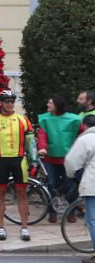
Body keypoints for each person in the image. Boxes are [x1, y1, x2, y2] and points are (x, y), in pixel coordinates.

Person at [0, 89, 38, 242]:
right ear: (0, 103)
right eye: (7, 102)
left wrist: (34, 161)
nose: (10, 104)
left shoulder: (22, 119)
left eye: (12, 102)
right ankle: (1, 227)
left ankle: (25, 227)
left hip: (19, 159)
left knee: (22, 193)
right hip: (0, 160)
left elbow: (31, 142)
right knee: (0, 194)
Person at [37, 94, 82, 223]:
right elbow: (42, 135)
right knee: (51, 186)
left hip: (68, 160)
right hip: (50, 159)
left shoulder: (74, 119)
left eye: (50, 103)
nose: (47, 105)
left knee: (70, 186)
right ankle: (52, 212)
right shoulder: (45, 119)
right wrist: (42, 148)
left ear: (56, 105)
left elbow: (83, 133)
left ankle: (71, 211)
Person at [64, 115, 95, 263]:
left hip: (92, 185)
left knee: (93, 220)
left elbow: (71, 161)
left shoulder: (85, 140)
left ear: (84, 126)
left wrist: (73, 175)